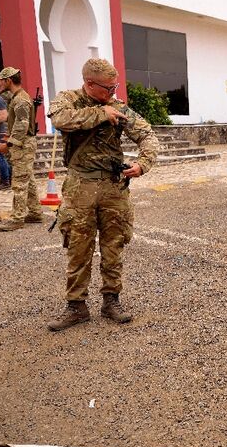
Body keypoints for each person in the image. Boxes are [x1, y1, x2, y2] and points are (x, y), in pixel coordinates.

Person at [46, 58, 158, 331]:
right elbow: (59, 119)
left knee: (113, 244)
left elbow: (147, 135)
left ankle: (111, 300)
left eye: (115, 86)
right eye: (108, 88)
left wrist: (142, 164)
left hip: (112, 187)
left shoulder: (119, 108)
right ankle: (76, 306)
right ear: (89, 84)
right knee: (78, 246)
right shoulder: (68, 99)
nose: (113, 92)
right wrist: (100, 114)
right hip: (80, 186)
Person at [0, 67, 44, 231]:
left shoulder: (21, 100)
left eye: (1, 80)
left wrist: (8, 144)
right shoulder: (16, 97)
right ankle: (36, 212)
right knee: (28, 179)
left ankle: (17, 218)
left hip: (23, 145)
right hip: (22, 143)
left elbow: (22, 125)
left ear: (9, 81)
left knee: (19, 183)